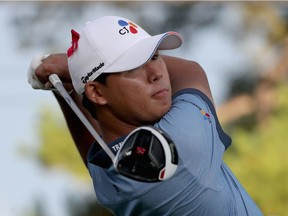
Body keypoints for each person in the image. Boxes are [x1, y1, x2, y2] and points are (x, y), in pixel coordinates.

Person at [29, 15, 262, 215]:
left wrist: (66, 89)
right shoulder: (182, 143)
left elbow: (98, 153)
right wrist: (71, 68)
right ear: (97, 92)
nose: (156, 73)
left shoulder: (114, 178)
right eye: (132, 66)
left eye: (154, 56)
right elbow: (191, 71)